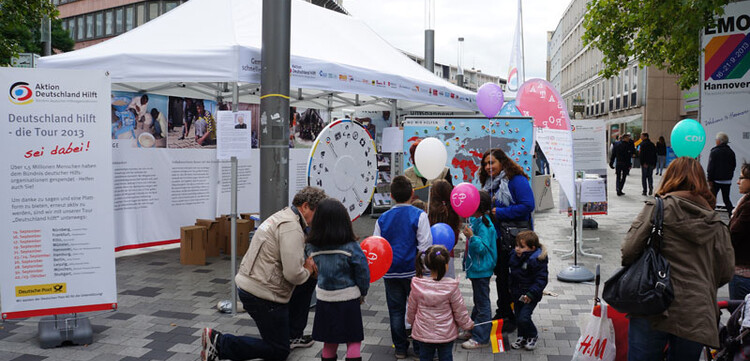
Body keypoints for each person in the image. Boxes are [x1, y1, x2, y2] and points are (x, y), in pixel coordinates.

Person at [622, 157, 734, 360]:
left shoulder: (657, 208)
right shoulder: (716, 223)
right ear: (702, 181)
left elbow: (628, 251)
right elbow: (726, 272)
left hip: (653, 304)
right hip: (696, 312)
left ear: (669, 178)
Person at [200, 186, 328, 361]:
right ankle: (220, 343)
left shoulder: (283, 215)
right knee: (279, 351)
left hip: (250, 283)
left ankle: (292, 334)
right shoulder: (292, 228)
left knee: (307, 282)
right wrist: (307, 268)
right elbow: (293, 275)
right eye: (317, 214)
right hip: (262, 294)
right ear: (305, 206)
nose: (317, 220)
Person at [373, 175, 432, 359]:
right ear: (412, 194)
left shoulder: (382, 218)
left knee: (396, 310)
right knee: (419, 310)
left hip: (390, 271)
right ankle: (420, 348)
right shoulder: (420, 215)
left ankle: (400, 348)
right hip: (414, 271)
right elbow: (425, 246)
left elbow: (377, 245)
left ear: (391, 195)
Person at [307, 199, 370, 361]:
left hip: (325, 299)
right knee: (353, 340)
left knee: (329, 342)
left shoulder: (312, 247)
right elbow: (363, 271)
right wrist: (362, 292)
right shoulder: (351, 246)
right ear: (344, 221)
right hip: (348, 299)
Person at [479, 148, 534, 331]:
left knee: (513, 278)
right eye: (485, 163)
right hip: (497, 238)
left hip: (514, 240)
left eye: (491, 162)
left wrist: (501, 212)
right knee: (501, 277)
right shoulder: (489, 183)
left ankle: (515, 315)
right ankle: (504, 312)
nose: (488, 167)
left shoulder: (516, 180)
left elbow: (528, 205)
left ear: (502, 162)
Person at [406, 245, 474, 361]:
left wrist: (412, 323)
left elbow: (411, 309)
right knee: (446, 357)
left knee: (425, 357)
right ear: (446, 265)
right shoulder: (451, 287)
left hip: (424, 332)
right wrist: (467, 324)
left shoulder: (418, 285)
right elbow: (459, 310)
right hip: (446, 333)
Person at [459, 190, 497, 349]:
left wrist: (471, 237)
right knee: (479, 301)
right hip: (477, 269)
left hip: (482, 269)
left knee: (482, 304)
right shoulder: (478, 221)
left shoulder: (485, 225)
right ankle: (473, 329)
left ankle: (481, 337)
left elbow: (482, 249)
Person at [508, 231, 548, 351]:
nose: (517, 249)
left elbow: (541, 279)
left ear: (532, 248)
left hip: (530, 295)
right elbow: (513, 274)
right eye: (516, 246)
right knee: (518, 315)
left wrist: (531, 293)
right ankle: (522, 336)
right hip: (517, 292)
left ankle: (532, 335)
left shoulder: (536, 260)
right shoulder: (515, 256)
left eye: (521, 247)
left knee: (524, 317)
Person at [427, 179, 460, 279]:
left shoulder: (428, 212)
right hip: (448, 255)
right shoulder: (453, 212)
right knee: (447, 286)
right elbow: (455, 237)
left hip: (430, 255)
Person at [729, 162, 750, 300]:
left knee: (739, 316)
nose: (738, 182)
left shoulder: (747, 207)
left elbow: (733, 234)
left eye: (742, 178)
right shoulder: (744, 203)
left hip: (743, 273)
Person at [707, 132, 737, 215]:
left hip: (716, 180)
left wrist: (709, 179)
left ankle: (709, 216)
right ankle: (732, 216)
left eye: (716, 140)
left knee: (712, 199)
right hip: (727, 181)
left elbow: (711, 167)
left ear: (719, 141)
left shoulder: (714, 151)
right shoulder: (731, 152)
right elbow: (733, 165)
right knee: (726, 199)